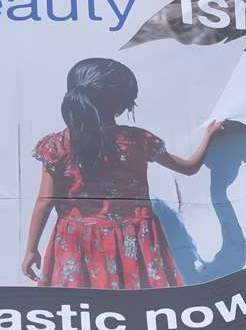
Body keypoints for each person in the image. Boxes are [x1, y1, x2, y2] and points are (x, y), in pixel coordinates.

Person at [21, 57, 226, 289]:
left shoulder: (56, 145)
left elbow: (44, 203)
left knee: (80, 311)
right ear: (121, 104)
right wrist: (209, 135)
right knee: (139, 310)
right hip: (135, 238)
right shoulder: (138, 141)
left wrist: (31, 250)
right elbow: (189, 168)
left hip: (76, 239)